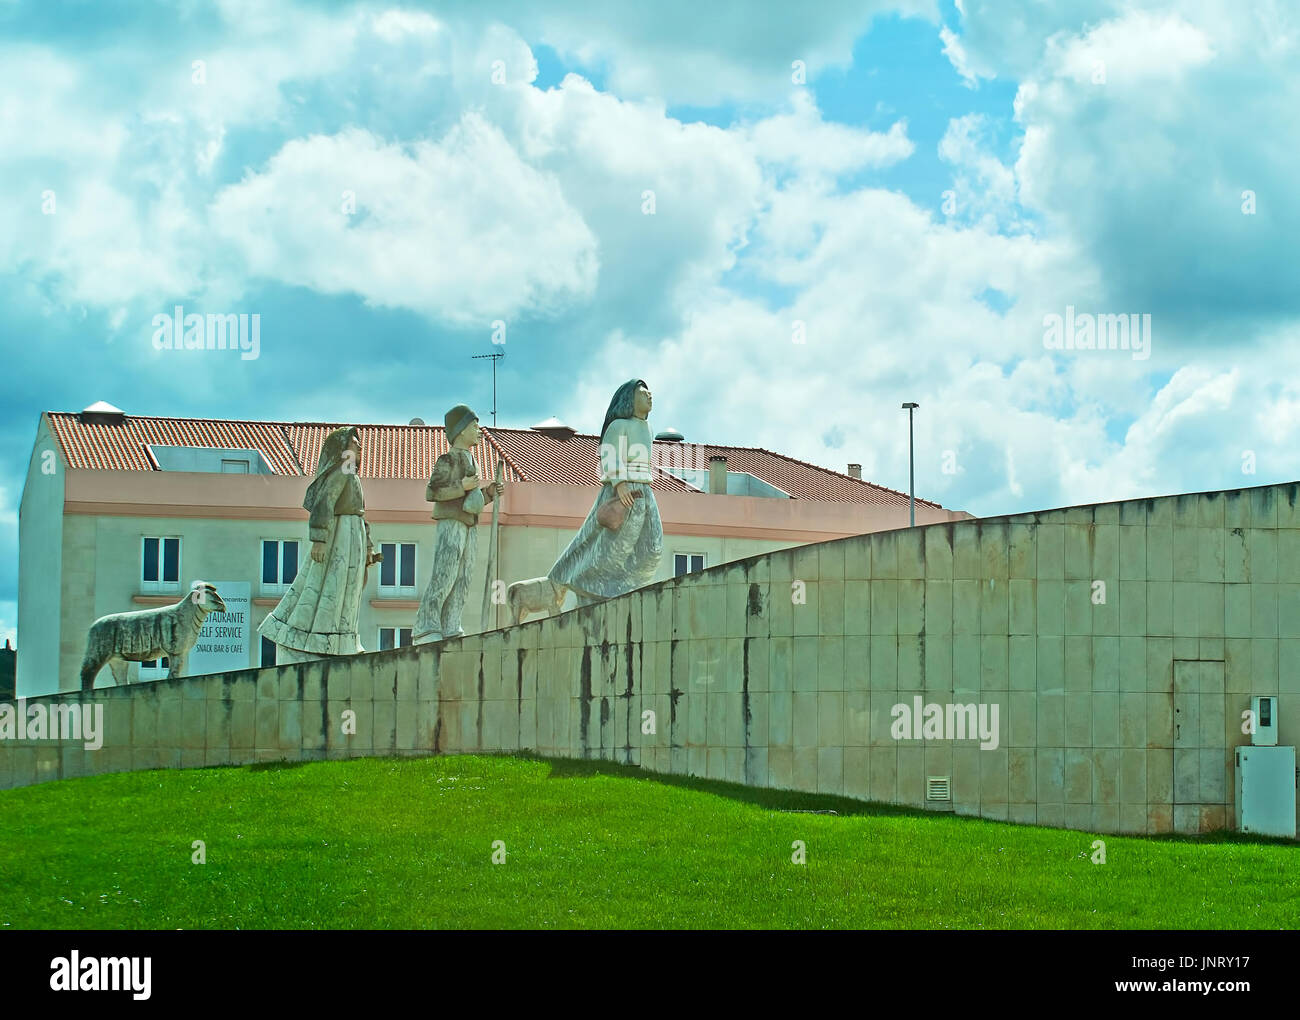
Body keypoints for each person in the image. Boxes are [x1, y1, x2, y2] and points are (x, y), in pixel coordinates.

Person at [259, 426, 380, 662]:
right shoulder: (342, 473)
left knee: (345, 591)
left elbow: (361, 516)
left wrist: (367, 548)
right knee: (328, 588)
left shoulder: (352, 476)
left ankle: (340, 638)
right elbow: (324, 503)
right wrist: (319, 540)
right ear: (343, 449)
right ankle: (316, 636)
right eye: (355, 442)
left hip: (351, 536)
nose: (360, 446)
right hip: (338, 536)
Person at [548, 379, 663, 604]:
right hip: (622, 491)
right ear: (630, 398)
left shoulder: (648, 428)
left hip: (644, 491)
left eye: (650, 392)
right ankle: (592, 587)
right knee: (612, 547)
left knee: (652, 546)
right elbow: (609, 454)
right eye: (643, 393)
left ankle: (626, 586)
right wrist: (620, 484)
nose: (649, 396)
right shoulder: (619, 425)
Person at [413, 405, 504, 644]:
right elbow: (432, 492)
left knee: (464, 576)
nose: (478, 430)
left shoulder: (472, 458)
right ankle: (426, 624)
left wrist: (489, 493)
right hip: (451, 523)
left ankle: (451, 624)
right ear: (461, 430)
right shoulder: (448, 459)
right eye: (474, 425)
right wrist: (460, 487)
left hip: (469, 524)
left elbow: (471, 500)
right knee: (445, 573)